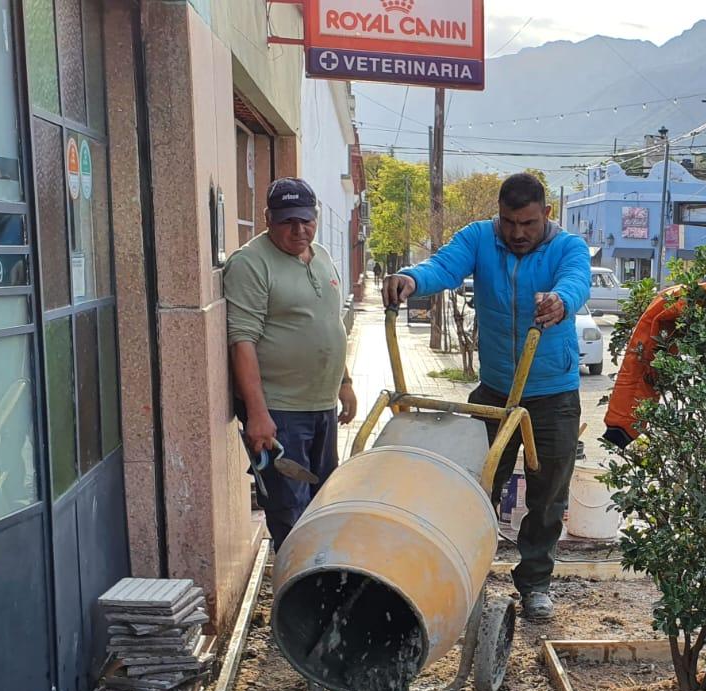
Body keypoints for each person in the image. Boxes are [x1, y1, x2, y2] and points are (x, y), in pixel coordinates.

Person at [382, 173, 591, 620]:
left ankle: (535, 581)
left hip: (553, 393)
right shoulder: (478, 238)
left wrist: (561, 301)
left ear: (546, 215)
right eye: (509, 221)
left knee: (548, 494)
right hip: (495, 391)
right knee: (477, 487)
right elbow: (443, 266)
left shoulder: (567, 247)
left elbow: (576, 281)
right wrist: (411, 279)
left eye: (528, 223)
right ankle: (467, 573)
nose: (517, 233)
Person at [225, 177, 356, 550]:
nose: (300, 230)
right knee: (289, 510)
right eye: (287, 222)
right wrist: (257, 414)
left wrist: (344, 382)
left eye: (306, 220)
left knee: (321, 503)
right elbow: (242, 342)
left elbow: (330, 323)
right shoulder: (250, 264)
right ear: (268, 218)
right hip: (280, 412)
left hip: (322, 406)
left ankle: (320, 588)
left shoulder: (322, 256)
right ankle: (295, 595)